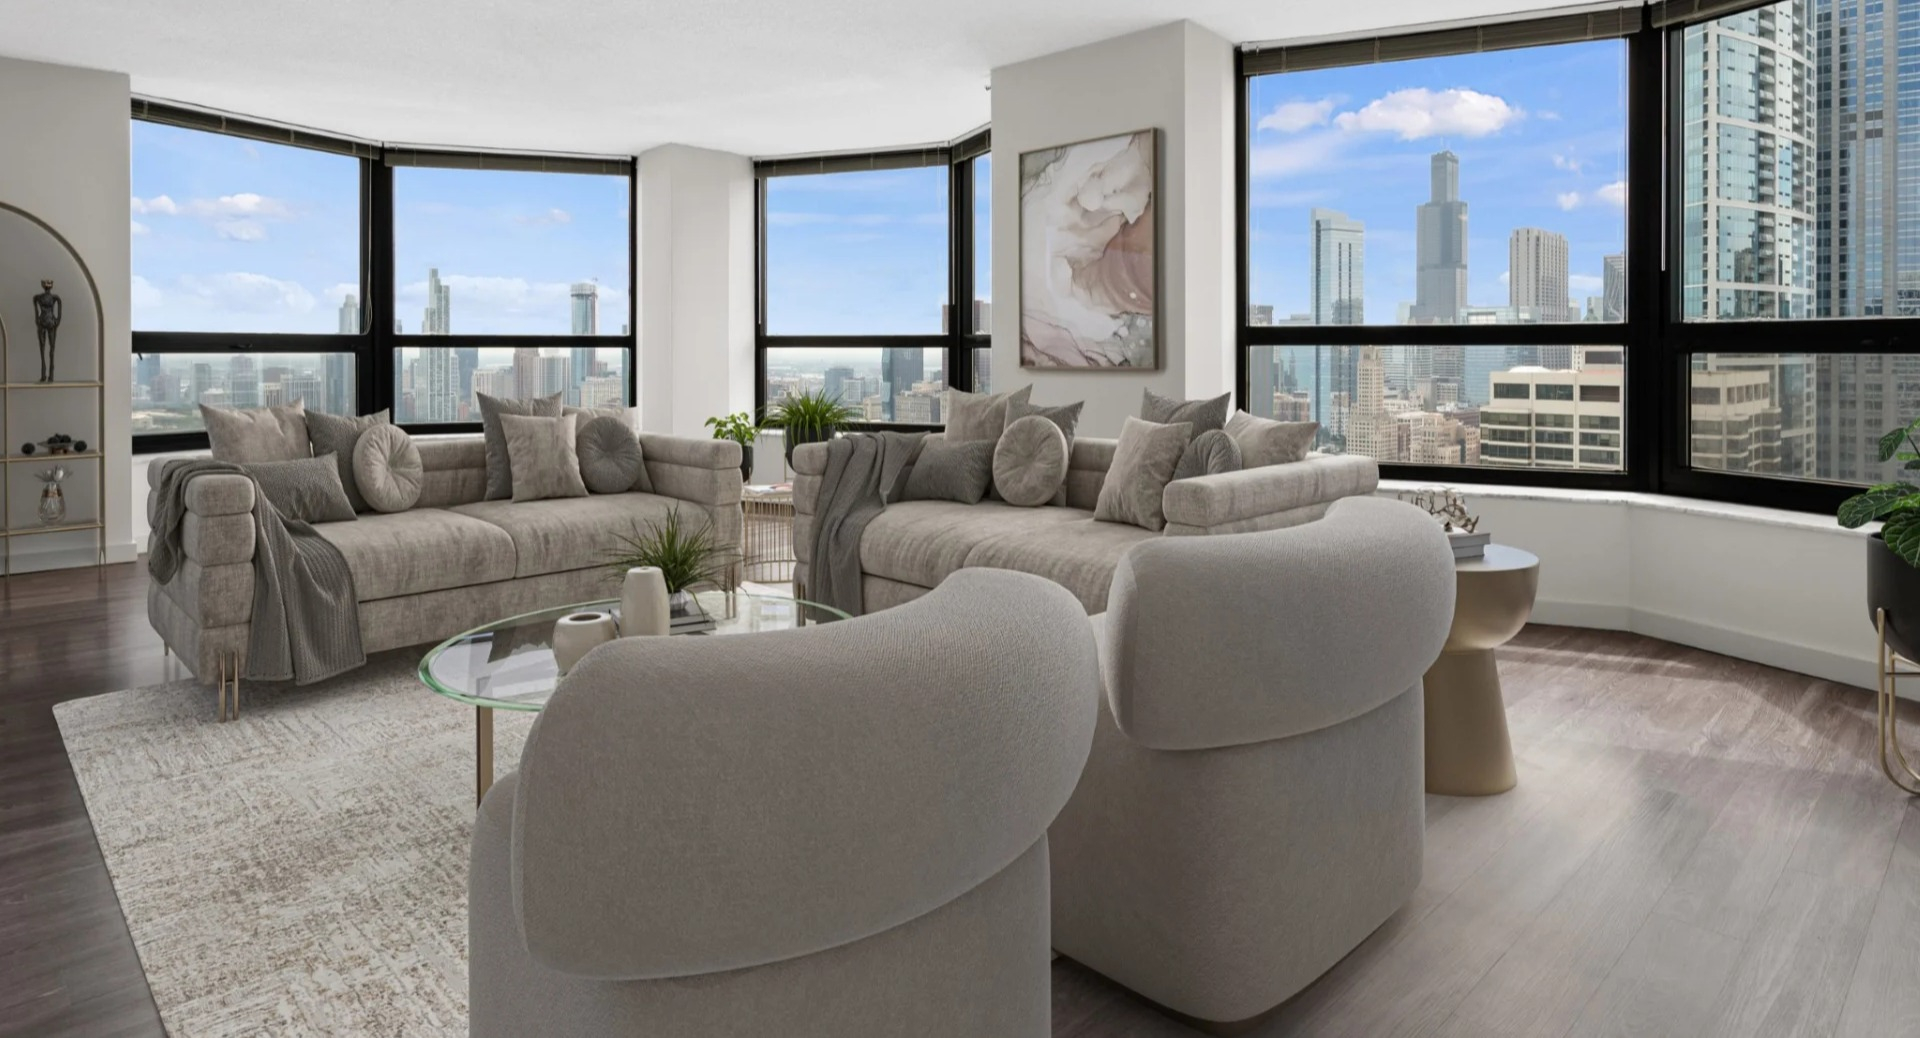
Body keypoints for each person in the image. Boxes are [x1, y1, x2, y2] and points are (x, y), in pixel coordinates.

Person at [33, 279, 61, 383]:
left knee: (50, 349)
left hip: (49, 322)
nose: (47, 287)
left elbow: (59, 312)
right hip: (45, 322)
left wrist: (57, 321)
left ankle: (50, 375)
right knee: (44, 349)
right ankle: (44, 375)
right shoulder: (38, 297)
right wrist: (37, 320)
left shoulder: (54, 298)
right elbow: (36, 311)